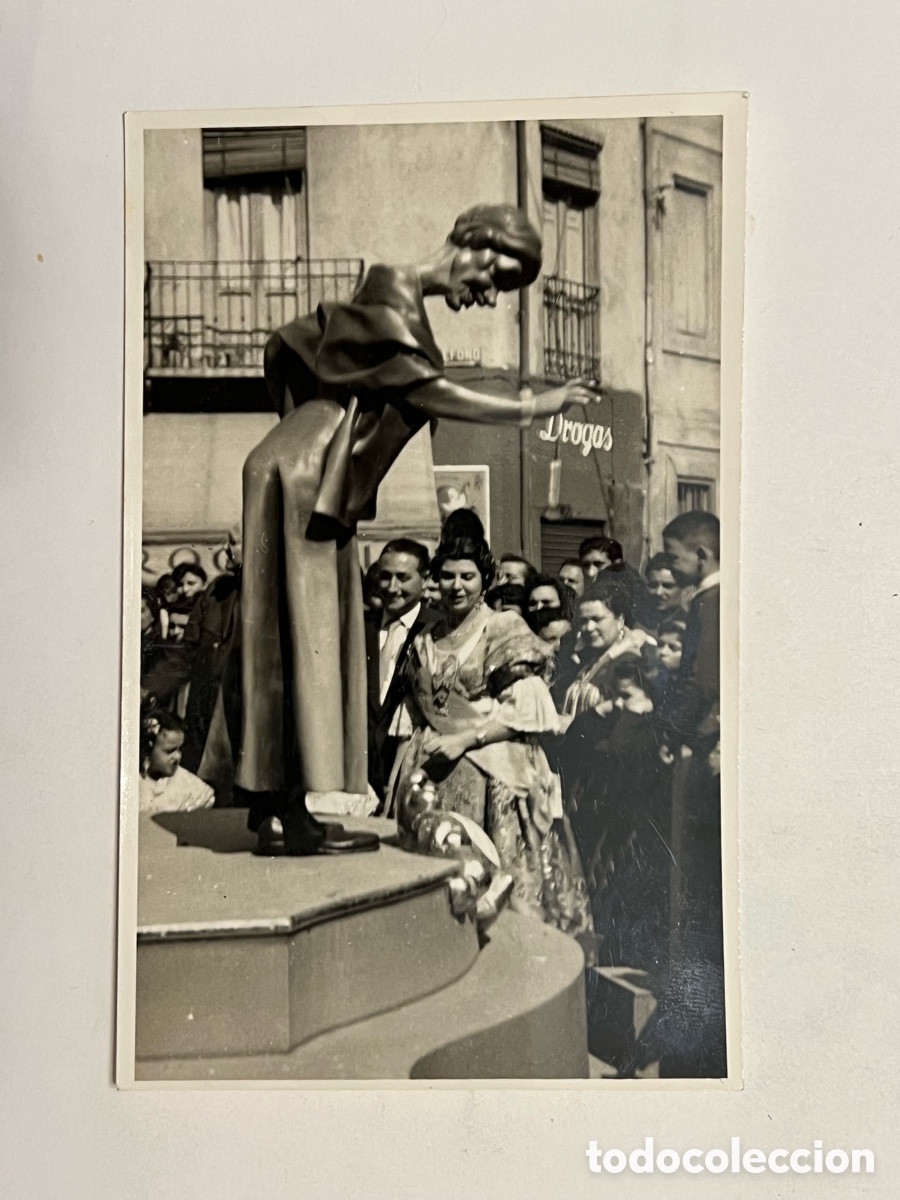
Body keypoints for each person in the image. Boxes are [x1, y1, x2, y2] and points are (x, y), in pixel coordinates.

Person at [238, 202, 601, 854]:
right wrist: (535, 405)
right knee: (308, 640)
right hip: (306, 477)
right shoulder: (392, 300)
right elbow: (436, 393)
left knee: (288, 643)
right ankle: (282, 815)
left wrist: (309, 418)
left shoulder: (382, 298)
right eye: (497, 270)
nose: (488, 289)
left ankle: (278, 812)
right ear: (471, 240)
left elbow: (283, 347)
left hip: (295, 465)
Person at [390, 532, 594, 952]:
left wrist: (465, 739)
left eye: (467, 576)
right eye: (447, 576)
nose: (457, 586)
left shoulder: (503, 628)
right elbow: (413, 708)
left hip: (492, 772)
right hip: (430, 771)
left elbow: (528, 711)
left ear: (484, 580)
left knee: (502, 885)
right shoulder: (427, 636)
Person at [141, 524, 243, 796]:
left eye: (235, 543)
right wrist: (150, 687)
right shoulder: (215, 592)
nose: (227, 550)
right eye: (228, 542)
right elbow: (187, 652)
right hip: (205, 719)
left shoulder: (277, 594)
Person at [364, 538, 436, 807]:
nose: (392, 588)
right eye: (385, 577)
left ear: (425, 579)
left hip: (408, 774)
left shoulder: (437, 630)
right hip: (361, 776)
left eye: (403, 578)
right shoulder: (359, 628)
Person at [138, 709, 215, 815]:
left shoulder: (191, 787)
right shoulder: (132, 780)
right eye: (169, 751)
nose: (177, 756)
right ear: (148, 747)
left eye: (179, 749)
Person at [637, 552, 688, 635]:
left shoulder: (688, 626)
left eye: (667, 586)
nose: (658, 592)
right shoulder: (637, 622)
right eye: (653, 585)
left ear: (683, 587)